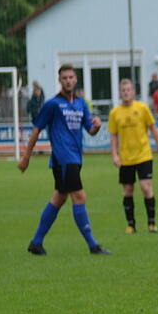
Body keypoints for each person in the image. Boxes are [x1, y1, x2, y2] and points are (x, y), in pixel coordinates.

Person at [17, 64, 110, 256]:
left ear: (76, 80)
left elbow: (90, 130)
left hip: (75, 158)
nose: (68, 80)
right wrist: (26, 156)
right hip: (63, 159)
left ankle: (36, 242)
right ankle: (93, 245)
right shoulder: (52, 104)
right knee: (79, 196)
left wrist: (98, 126)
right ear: (59, 81)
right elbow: (36, 129)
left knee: (59, 199)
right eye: (64, 78)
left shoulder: (81, 103)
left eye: (71, 77)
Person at [108, 78, 158, 234]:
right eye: (123, 90)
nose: (126, 92)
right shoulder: (115, 113)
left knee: (146, 188)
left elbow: (153, 129)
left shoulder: (142, 108)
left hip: (143, 155)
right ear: (120, 93)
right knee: (128, 190)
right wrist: (114, 155)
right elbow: (113, 136)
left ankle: (152, 223)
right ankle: (131, 224)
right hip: (125, 158)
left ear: (133, 91)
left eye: (128, 90)